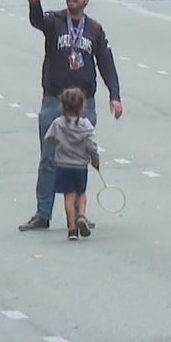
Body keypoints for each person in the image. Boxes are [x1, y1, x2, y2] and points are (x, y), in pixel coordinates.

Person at [19, 0, 123, 232]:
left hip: (84, 104)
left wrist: (115, 95)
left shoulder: (95, 30)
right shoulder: (54, 21)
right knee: (48, 158)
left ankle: (78, 213)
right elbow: (37, 21)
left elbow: (106, 63)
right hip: (54, 100)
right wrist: (35, 4)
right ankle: (43, 213)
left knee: (78, 158)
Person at [45, 87, 102, 241]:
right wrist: (95, 159)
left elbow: (48, 138)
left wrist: (58, 143)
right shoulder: (86, 125)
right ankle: (81, 215)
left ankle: (72, 229)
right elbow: (92, 146)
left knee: (68, 197)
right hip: (80, 166)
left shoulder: (58, 123)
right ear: (82, 106)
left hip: (63, 165)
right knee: (81, 193)